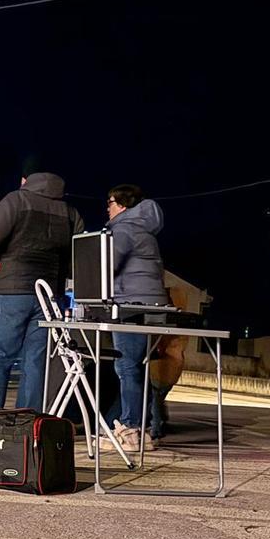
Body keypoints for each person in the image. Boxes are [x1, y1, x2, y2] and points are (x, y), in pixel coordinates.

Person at [0, 156, 84, 411]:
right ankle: (27, 424)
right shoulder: (70, 213)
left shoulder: (17, 200)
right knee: (35, 362)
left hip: (13, 291)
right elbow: (78, 257)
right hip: (50, 298)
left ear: (26, 180)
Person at [101, 184, 169, 452]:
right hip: (150, 305)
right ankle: (145, 428)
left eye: (109, 202)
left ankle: (130, 429)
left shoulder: (123, 228)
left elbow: (107, 266)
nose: (107, 208)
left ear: (121, 204)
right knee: (137, 367)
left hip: (129, 304)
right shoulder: (145, 229)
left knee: (127, 367)